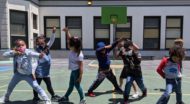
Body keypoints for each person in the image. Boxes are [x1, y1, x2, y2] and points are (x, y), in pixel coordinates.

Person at [0, 39, 51, 104]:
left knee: (36, 86)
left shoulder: (28, 52)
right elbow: (4, 55)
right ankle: (5, 98)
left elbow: (36, 54)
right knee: (10, 86)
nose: (21, 47)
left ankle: (47, 99)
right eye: (18, 46)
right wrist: (14, 52)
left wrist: (40, 55)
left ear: (25, 46)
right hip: (18, 74)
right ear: (16, 47)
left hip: (28, 75)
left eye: (22, 45)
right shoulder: (15, 53)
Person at [33, 26, 61, 102]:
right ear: (38, 41)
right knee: (37, 85)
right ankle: (36, 97)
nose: (42, 39)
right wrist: (34, 72)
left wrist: (53, 33)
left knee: (48, 84)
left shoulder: (47, 46)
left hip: (46, 70)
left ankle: (53, 96)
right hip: (39, 70)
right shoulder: (37, 49)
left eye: (42, 38)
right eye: (40, 38)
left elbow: (52, 40)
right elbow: (35, 60)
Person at [58, 27, 86, 104]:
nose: (67, 44)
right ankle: (66, 96)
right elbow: (69, 38)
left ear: (74, 46)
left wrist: (80, 77)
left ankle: (82, 99)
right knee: (71, 85)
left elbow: (81, 67)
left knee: (77, 85)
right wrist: (67, 31)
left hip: (76, 71)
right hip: (73, 71)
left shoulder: (79, 55)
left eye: (69, 44)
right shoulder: (73, 49)